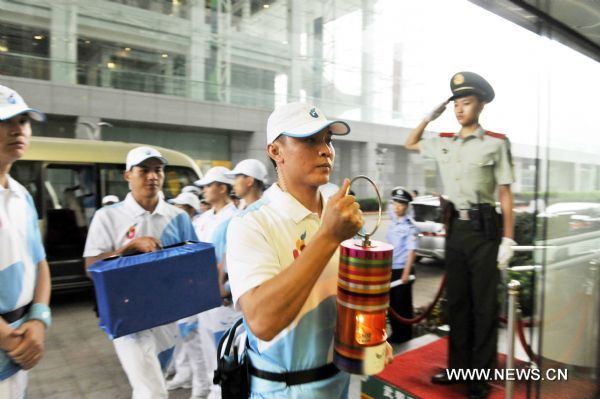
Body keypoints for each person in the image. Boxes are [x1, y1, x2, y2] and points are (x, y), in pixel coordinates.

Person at [226, 102, 392, 398]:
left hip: (339, 382)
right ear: (275, 151)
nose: (325, 150)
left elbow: (351, 296)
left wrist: (370, 336)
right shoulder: (251, 223)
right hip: (284, 389)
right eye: (309, 140)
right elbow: (262, 322)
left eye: (328, 139)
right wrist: (328, 237)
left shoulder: (339, 215)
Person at [404, 72, 516, 399]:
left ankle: (478, 378)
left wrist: (507, 239)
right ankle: (457, 368)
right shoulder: (443, 141)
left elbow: (506, 192)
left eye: (466, 103)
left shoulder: (496, 142)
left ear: (481, 105)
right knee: (459, 305)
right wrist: (429, 116)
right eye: (456, 105)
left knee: (483, 308)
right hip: (456, 230)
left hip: (484, 231)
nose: (459, 110)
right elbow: (410, 142)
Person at [83, 146, 197, 399]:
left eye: (158, 170)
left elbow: (193, 264)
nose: (152, 176)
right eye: (144, 170)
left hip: (167, 316)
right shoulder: (108, 217)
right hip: (127, 317)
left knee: (149, 385)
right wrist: (127, 248)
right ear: (128, 176)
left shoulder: (178, 217)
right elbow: (91, 266)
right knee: (153, 391)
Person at [168, 166, 238, 398]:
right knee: (204, 340)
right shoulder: (202, 218)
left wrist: (227, 289)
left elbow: (234, 261)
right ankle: (209, 386)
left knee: (222, 344)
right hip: (199, 290)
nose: (204, 190)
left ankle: (222, 389)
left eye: (208, 185)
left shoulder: (235, 218)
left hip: (221, 294)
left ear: (222, 187)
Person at [0, 85, 51, 399]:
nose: (17, 129)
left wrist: (39, 319)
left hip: (17, 348)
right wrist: (8, 338)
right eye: (5, 121)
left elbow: (39, 262)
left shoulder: (22, 196)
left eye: (23, 121)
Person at [385, 186, 419, 344]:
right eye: (394, 203)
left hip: (404, 270)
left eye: (400, 204)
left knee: (402, 304)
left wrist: (406, 273)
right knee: (392, 303)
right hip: (392, 269)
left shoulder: (410, 226)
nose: (396, 207)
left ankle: (405, 335)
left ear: (406, 206)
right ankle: (397, 333)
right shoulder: (393, 221)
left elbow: (412, 251)